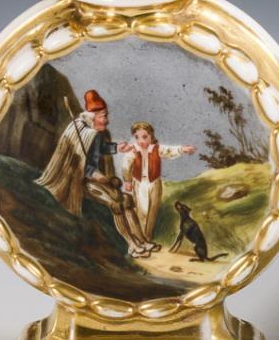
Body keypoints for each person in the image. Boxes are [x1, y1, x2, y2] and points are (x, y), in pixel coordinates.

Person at [35, 89, 157, 258]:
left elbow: (100, 149)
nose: (107, 120)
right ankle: (131, 244)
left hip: (97, 179)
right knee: (115, 204)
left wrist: (117, 147)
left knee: (126, 200)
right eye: (104, 116)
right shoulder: (81, 131)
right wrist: (96, 175)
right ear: (93, 116)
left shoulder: (94, 133)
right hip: (82, 182)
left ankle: (142, 240)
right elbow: (79, 163)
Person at [120, 121, 196, 240]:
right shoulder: (133, 150)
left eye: (144, 137)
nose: (141, 141)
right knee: (142, 210)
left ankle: (148, 237)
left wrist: (182, 149)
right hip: (139, 183)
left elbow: (169, 150)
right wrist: (127, 180)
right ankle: (140, 238)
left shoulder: (156, 148)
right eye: (137, 137)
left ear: (151, 136)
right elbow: (126, 165)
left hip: (154, 183)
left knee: (152, 211)